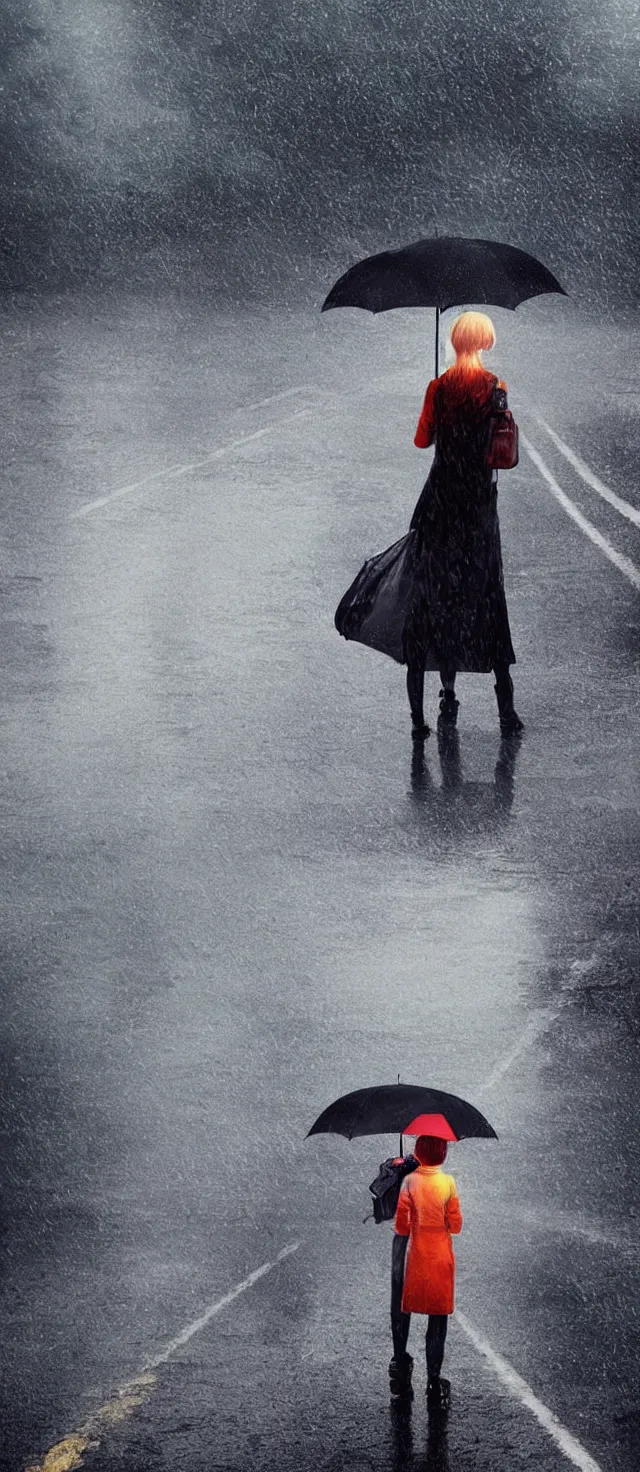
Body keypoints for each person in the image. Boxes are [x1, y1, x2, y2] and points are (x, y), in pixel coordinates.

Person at [405, 311, 523, 737]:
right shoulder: (496, 388)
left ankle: (447, 692)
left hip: (439, 505)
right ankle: (505, 710)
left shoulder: (438, 388)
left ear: (454, 342)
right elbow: (502, 452)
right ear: (485, 342)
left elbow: (423, 441)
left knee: (440, 598)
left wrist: (439, 411)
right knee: (487, 595)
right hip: (477, 508)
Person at [389, 1134, 462, 1407]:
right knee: (438, 1320)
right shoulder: (448, 1183)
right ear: (442, 1153)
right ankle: (434, 1381)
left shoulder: (410, 1181)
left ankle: (401, 1366)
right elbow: (456, 1225)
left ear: (418, 1152)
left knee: (403, 1308)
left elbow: (401, 1227)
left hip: (416, 1257)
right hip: (440, 1258)